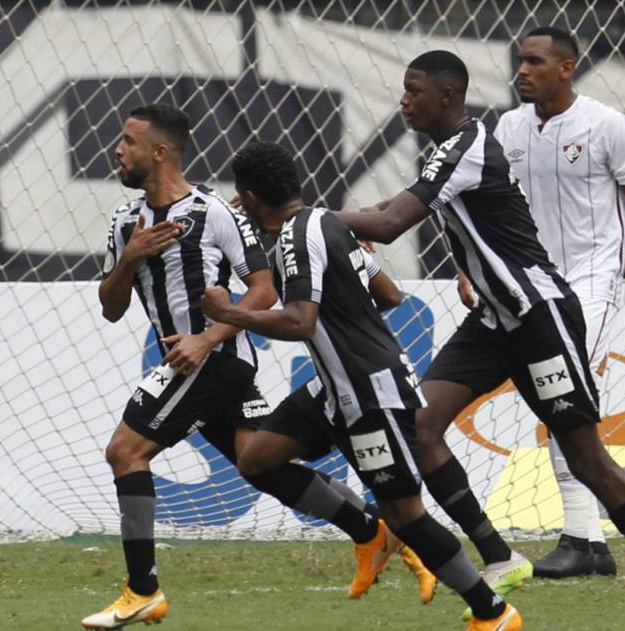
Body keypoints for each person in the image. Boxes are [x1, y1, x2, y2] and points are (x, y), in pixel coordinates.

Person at [334, 51, 625, 630]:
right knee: (420, 423)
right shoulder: (449, 150)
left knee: (588, 460)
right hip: (491, 321)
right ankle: (500, 555)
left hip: (539, 316)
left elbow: (388, 224)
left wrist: (305, 218)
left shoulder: (465, 146)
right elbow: (389, 207)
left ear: (446, 96)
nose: (403, 100)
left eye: (412, 91)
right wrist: (316, 217)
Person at [82, 105, 426, 629]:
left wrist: (207, 338)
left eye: (127, 141)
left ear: (159, 152)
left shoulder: (213, 211)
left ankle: (142, 590)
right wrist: (129, 258)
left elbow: (262, 287)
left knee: (125, 452)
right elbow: (110, 308)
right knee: (257, 463)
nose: (116, 150)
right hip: (192, 360)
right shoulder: (125, 221)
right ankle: (371, 531)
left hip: (214, 359)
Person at [202, 140, 522, 631]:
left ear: (247, 195)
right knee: (257, 458)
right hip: (334, 390)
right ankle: (368, 532)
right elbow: (389, 294)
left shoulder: (295, 236)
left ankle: (493, 612)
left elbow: (300, 322)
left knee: (407, 513)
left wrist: (230, 314)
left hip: (369, 393)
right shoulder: (329, 222)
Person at [469, 26, 625, 580]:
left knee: (564, 396)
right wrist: (473, 270)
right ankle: (589, 544)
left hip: (590, 282)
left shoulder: (607, 126)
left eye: (534, 61)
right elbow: (483, 206)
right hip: (528, 283)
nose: (522, 71)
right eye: (519, 61)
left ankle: (584, 539)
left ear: (567, 68)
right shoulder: (507, 128)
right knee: (555, 398)